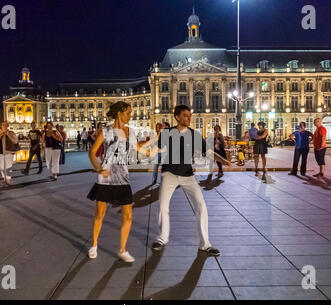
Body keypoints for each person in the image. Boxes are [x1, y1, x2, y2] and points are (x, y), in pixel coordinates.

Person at [150, 105, 230, 256]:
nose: (189, 118)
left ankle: (205, 244)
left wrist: (223, 160)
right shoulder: (167, 133)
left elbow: (208, 152)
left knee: (201, 206)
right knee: (162, 206)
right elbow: (158, 150)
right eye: (186, 115)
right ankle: (162, 238)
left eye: (190, 115)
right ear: (177, 117)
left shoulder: (194, 134)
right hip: (170, 173)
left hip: (187, 174)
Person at [87, 101, 144, 263]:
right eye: (128, 113)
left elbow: (139, 148)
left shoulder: (130, 132)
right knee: (100, 214)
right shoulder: (105, 131)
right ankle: (94, 245)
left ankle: (123, 249)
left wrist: (156, 144)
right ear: (120, 113)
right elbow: (92, 152)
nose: (130, 115)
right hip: (105, 177)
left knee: (128, 215)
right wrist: (98, 168)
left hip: (123, 177)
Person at [0, 121, 19, 186]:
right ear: (1, 126)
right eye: (3, 125)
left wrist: (8, 134)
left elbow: (15, 141)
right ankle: (4, 179)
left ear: (8, 126)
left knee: (8, 167)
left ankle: (8, 180)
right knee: (2, 167)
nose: (4, 126)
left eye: (5, 125)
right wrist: (0, 134)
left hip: (8, 152)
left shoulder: (11, 133)